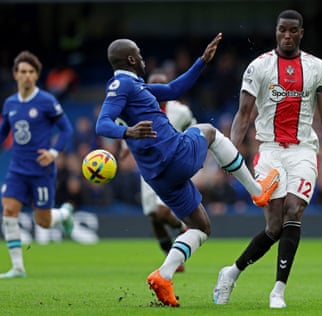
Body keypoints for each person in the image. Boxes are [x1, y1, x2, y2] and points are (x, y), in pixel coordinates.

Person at [95, 33, 280, 307]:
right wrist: (128, 131)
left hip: (158, 175)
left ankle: (164, 275)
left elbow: (172, 90)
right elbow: (102, 123)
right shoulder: (122, 84)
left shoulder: (134, 85)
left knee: (201, 227)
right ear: (131, 59)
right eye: (140, 54)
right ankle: (257, 191)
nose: (144, 58)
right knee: (208, 131)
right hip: (172, 154)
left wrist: (200, 63)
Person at [212, 10, 322, 309]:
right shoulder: (259, 67)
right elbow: (243, 114)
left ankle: (278, 290)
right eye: (282, 30)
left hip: (304, 149)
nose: (288, 35)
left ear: (301, 33)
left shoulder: (317, 67)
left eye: (293, 30)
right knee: (274, 228)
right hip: (269, 150)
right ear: (276, 32)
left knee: (295, 210)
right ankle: (232, 272)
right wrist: (232, 153)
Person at [0, 51, 75, 279]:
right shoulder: (10, 103)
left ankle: (64, 213)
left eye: (31, 72)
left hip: (41, 170)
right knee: (9, 211)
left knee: (42, 222)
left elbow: (66, 129)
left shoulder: (46, 101)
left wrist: (53, 152)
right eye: (23, 72)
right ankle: (18, 267)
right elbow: (3, 133)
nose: (27, 76)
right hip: (17, 170)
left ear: (36, 75)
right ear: (15, 74)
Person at [120, 70, 192, 272]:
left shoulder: (181, 112)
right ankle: (172, 256)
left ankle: (182, 228)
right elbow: (130, 131)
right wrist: (126, 148)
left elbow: (192, 130)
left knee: (162, 211)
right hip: (148, 168)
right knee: (153, 216)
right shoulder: (138, 110)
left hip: (172, 167)